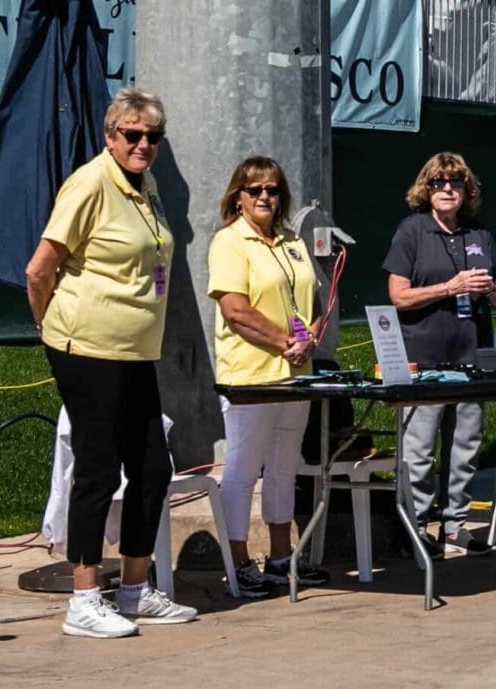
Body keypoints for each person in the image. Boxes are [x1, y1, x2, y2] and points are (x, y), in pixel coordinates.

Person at [25, 87, 196, 638]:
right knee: (98, 469)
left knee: (152, 468)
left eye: (153, 136)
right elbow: (39, 269)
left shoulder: (145, 189)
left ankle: (134, 590)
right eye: (132, 134)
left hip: (135, 350)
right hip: (88, 348)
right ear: (110, 135)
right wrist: (49, 325)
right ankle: (82, 597)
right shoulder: (90, 182)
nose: (143, 144)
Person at [207, 155, 330, 598]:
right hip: (251, 378)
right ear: (237, 197)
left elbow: (313, 304)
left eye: (272, 190)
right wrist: (284, 341)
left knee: (283, 466)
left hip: (297, 375)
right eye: (254, 189)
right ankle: (238, 562)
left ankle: (281, 558)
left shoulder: (292, 241)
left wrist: (310, 338)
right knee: (242, 470)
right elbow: (235, 310)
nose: (264, 196)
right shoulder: (229, 242)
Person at [382, 152, 496, 556]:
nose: (448, 189)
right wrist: (449, 288)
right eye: (439, 182)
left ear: (467, 190)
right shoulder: (412, 231)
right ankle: (416, 527)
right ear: (426, 188)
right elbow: (398, 296)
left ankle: (456, 527)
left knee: (466, 447)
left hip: (473, 358)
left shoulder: (479, 234)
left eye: (456, 182)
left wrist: (489, 289)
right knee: (419, 451)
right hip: (426, 361)